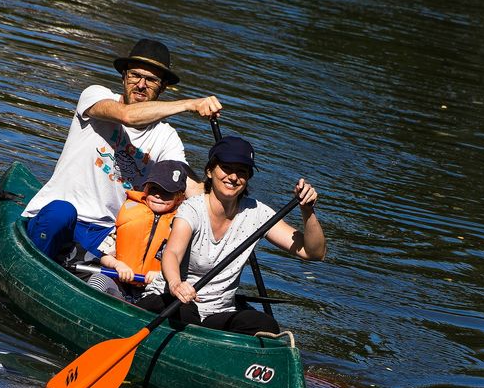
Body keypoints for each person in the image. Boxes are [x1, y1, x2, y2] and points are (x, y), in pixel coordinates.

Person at [22, 38, 222, 261]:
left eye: (151, 80)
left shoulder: (166, 137)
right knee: (61, 212)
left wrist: (227, 195)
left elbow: (188, 186)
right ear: (124, 76)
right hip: (60, 217)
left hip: (106, 232)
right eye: (135, 75)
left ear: (163, 87)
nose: (140, 85)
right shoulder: (95, 95)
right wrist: (189, 104)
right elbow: (128, 116)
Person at [136, 136, 326, 336]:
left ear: (248, 178)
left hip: (215, 314)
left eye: (242, 171)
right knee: (186, 311)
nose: (233, 177)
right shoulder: (192, 209)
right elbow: (172, 253)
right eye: (226, 168)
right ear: (210, 171)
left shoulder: (257, 214)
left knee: (265, 324)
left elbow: (313, 252)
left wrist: (308, 211)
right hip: (171, 300)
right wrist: (176, 284)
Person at [87, 160, 189, 303]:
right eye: (154, 189)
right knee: (97, 281)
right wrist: (118, 265)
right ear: (146, 189)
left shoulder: (183, 224)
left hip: (155, 291)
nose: (158, 195)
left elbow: (187, 269)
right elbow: (105, 256)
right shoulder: (131, 214)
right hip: (120, 285)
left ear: (180, 198)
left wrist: (161, 275)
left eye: (167, 193)